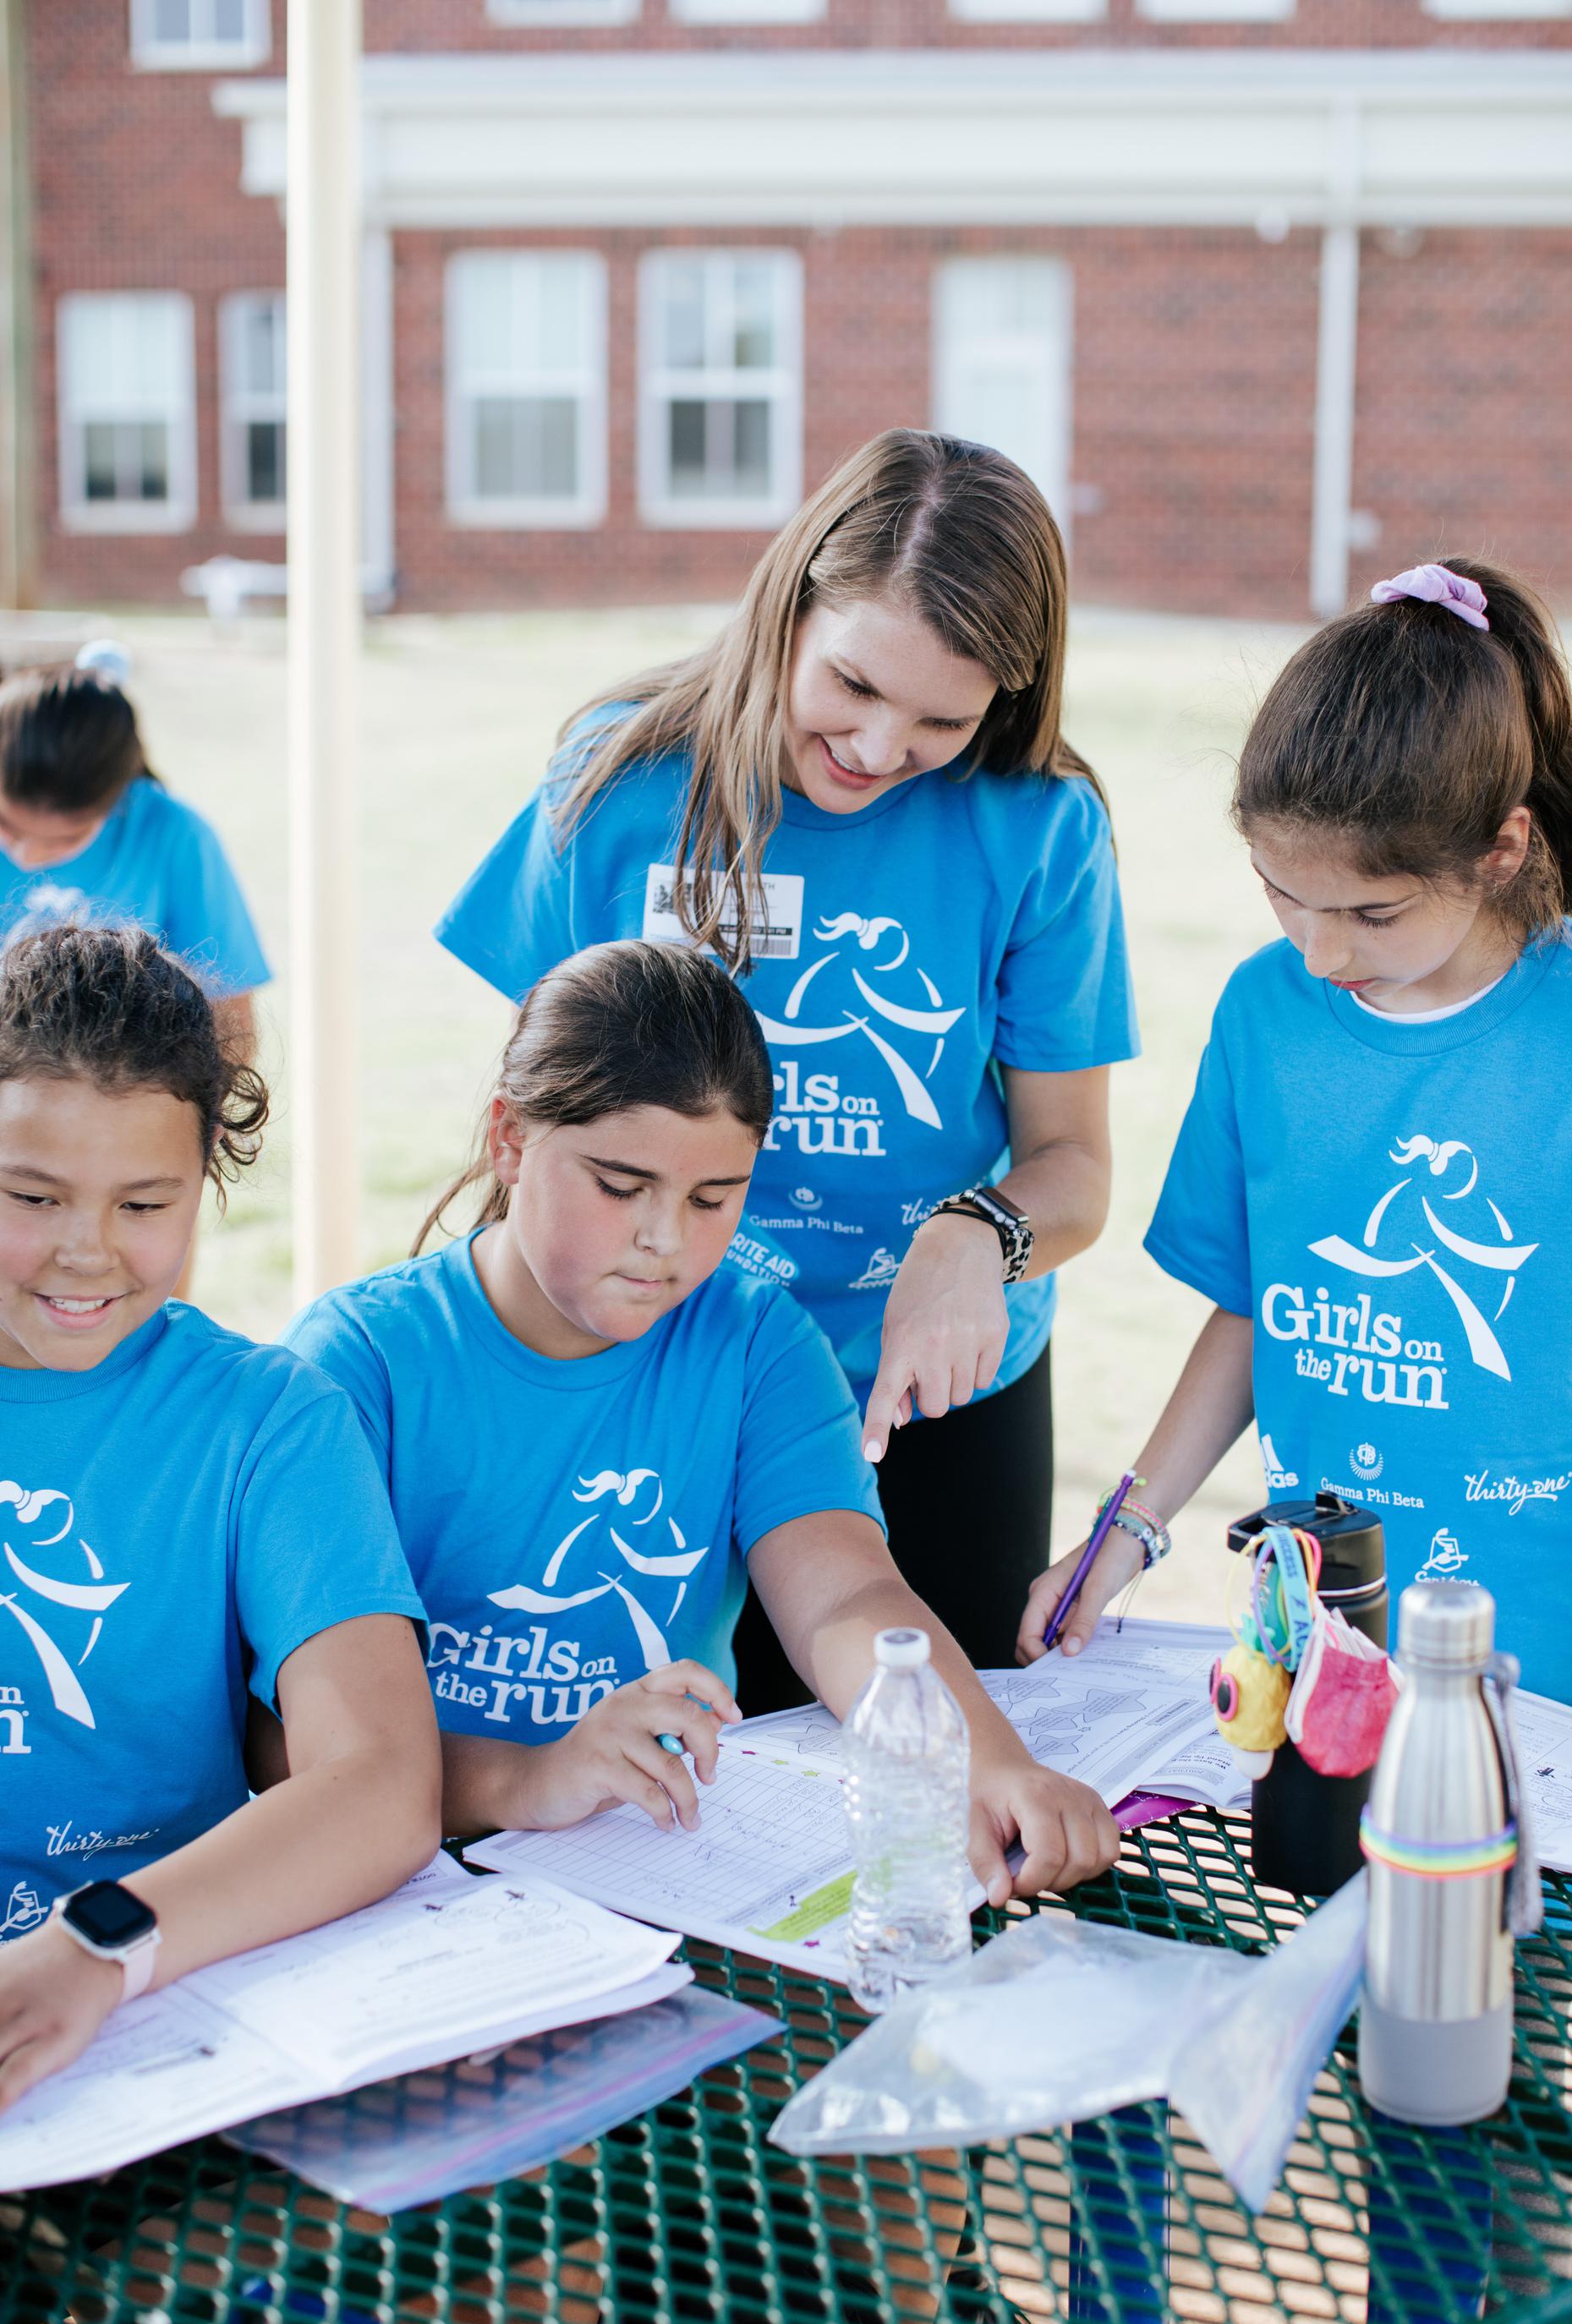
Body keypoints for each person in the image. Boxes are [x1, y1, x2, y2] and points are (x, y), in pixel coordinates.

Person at [435, 429, 1138, 1697]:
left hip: (927, 1393)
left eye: (942, 718)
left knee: (925, 1760)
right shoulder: (622, 778)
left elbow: (1074, 1166)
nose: (877, 749)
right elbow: (536, 1120)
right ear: (791, 605)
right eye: (855, 686)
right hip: (655, 1361)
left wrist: (978, 1235)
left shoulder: (1039, 828)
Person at [287, 939, 1119, 1895]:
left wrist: (982, 1761)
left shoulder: (759, 1343)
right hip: (396, 1882)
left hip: (656, 1870)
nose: (664, 1241)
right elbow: (287, 1743)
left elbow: (847, 1600)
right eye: (619, 1185)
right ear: (509, 1138)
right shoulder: (359, 1362)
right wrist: (532, 1777)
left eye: (714, 1197)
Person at [1019, 559, 1572, 1721]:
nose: (1318, 951)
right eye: (1280, 894)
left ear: (1500, 850)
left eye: (1370, 913)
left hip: (1571, 1682)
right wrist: (1127, 1534)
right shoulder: (1264, 1013)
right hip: (1322, 1655)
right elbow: (1254, 1307)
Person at [0, 924, 440, 2113]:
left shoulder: (269, 1422)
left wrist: (96, 1948)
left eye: (146, 1202)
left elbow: (386, 1783)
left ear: (210, 1181)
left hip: (160, 1992)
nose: (86, 1251)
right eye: (31, 1197)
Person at [0, 658, 270, 1068]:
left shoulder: (174, 833)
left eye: (67, 840)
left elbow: (228, 1011)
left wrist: (206, 1121)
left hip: (119, 1097)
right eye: (7, 825)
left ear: (120, 798)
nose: (27, 855)